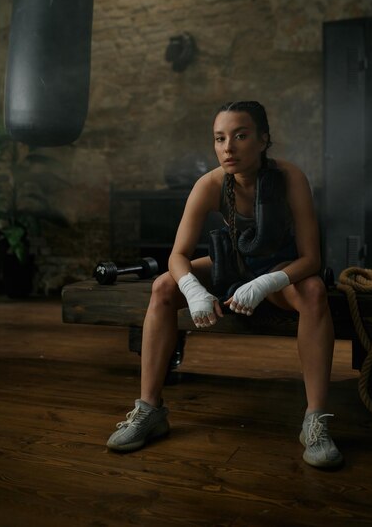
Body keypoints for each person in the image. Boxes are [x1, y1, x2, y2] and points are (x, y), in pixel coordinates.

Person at [106, 100, 343, 469]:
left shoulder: (290, 177)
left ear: (263, 140)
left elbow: (312, 259)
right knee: (163, 286)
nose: (228, 147)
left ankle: (315, 421)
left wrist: (268, 282)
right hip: (231, 264)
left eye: (240, 135)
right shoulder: (210, 183)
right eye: (219, 138)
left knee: (313, 291)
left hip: (281, 270)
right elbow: (177, 255)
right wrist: (193, 289)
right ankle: (150, 410)